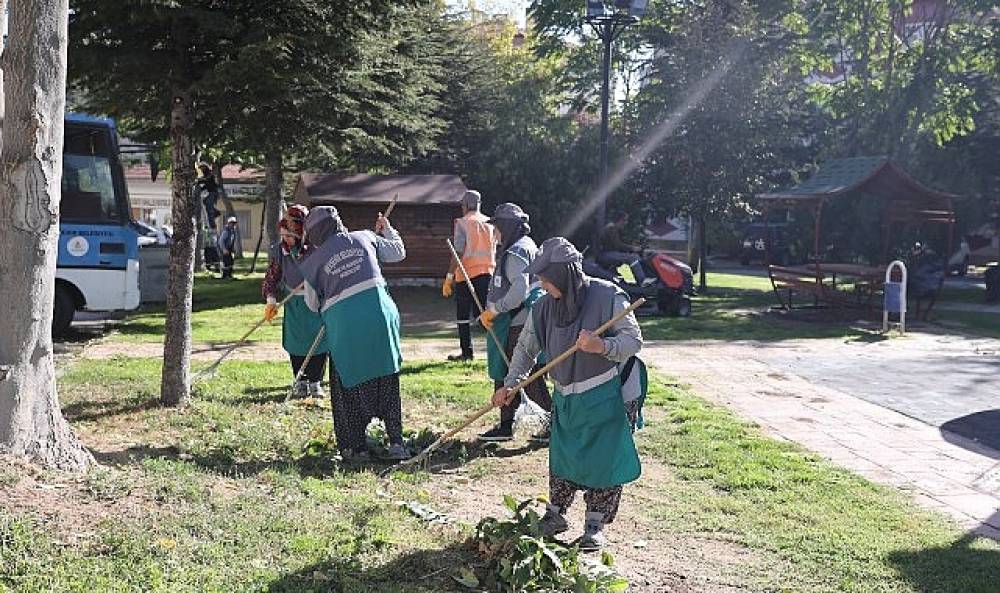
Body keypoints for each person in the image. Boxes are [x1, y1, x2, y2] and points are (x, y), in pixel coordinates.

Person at [492, 237, 644, 551]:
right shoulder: (543, 306)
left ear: (564, 276)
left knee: (603, 460)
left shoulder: (608, 296)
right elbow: (525, 349)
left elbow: (633, 341)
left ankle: (594, 526)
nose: (542, 284)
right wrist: (511, 383)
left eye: (547, 279)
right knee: (563, 455)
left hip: (609, 392)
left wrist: (601, 346)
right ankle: (555, 515)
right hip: (568, 394)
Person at [299, 206, 410, 462]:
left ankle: (355, 448)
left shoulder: (313, 263)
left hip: (346, 326)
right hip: (381, 319)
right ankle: (396, 442)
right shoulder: (366, 237)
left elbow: (312, 304)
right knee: (387, 377)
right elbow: (398, 252)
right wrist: (388, 229)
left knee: (346, 383)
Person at [476, 203, 551, 443]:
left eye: (497, 228)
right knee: (506, 370)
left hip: (517, 321)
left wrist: (495, 309)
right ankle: (506, 425)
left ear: (507, 227)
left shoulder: (518, 251)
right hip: (515, 320)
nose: (494, 233)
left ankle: (551, 426)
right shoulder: (525, 246)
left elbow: (520, 290)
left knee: (527, 374)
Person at [262, 205, 327, 398]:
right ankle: (300, 381)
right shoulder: (280, 252)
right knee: (296, 343)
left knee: (318, 343)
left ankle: (315, 382)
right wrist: (271, 300)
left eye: (289, 236)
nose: (286, 240)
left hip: (316, 303)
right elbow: (272, 277)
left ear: (301, 235)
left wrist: (315, 282)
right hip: (294, 305)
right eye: (283, 235)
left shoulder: (316, 250)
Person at [443, 190, 497, 361]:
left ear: (465, 205)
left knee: (463, 316)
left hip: (466, 275)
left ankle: (467, 353)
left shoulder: (462, 223)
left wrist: (449, 277)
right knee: (487, 315)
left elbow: (458, 252)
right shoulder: (491, 224)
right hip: (488, 273)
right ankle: (496, 351)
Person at [598, 212, 645, 283]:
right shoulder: (611, 228)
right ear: (620, 220)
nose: (626, 222)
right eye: (625, 220)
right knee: (633, 258)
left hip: (608, 254)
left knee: (635, 257)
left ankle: (630, 281)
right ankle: (642, 280)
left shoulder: (613, 228)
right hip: (606, 255)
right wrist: (632, 248)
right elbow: (617, 245)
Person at [198, 164, 221, 230]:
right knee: (205, 202)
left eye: (202, 168)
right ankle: (216, 212)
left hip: (213, 193)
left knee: (209, 209)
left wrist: (198, 181)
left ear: (206, 168)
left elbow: (206, 180)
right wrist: (200, 188)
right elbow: (206, 184)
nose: (202, 170)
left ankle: (212, 225)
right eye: (201, 169)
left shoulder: (210, 174)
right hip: (211, 192)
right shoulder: (206, 175)